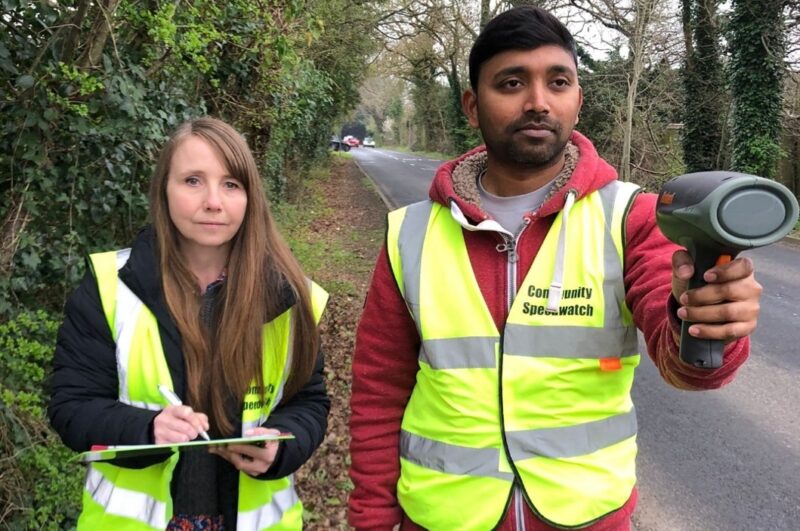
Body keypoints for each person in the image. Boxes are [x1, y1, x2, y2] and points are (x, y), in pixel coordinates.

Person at [348, 6, 763, 531]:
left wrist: (707, 321)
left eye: (558, 81)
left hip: (589, 519)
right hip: (441, 517)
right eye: (512, 82)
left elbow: (685, 362)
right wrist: (370, 519)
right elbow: (379, 392)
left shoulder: (629, 217)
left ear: (577, 101)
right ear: (473, 107)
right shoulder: (410, 233)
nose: (538, 102)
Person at [48, 117, 330, 530]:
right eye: (193, 181)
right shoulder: (110, 287)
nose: (214, 201)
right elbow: (71, 408)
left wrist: (282, 447)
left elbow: (309, 401)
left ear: (251, 197)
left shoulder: (288, 297)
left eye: (231, 184)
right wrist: (146, 427)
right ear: (164, 189)